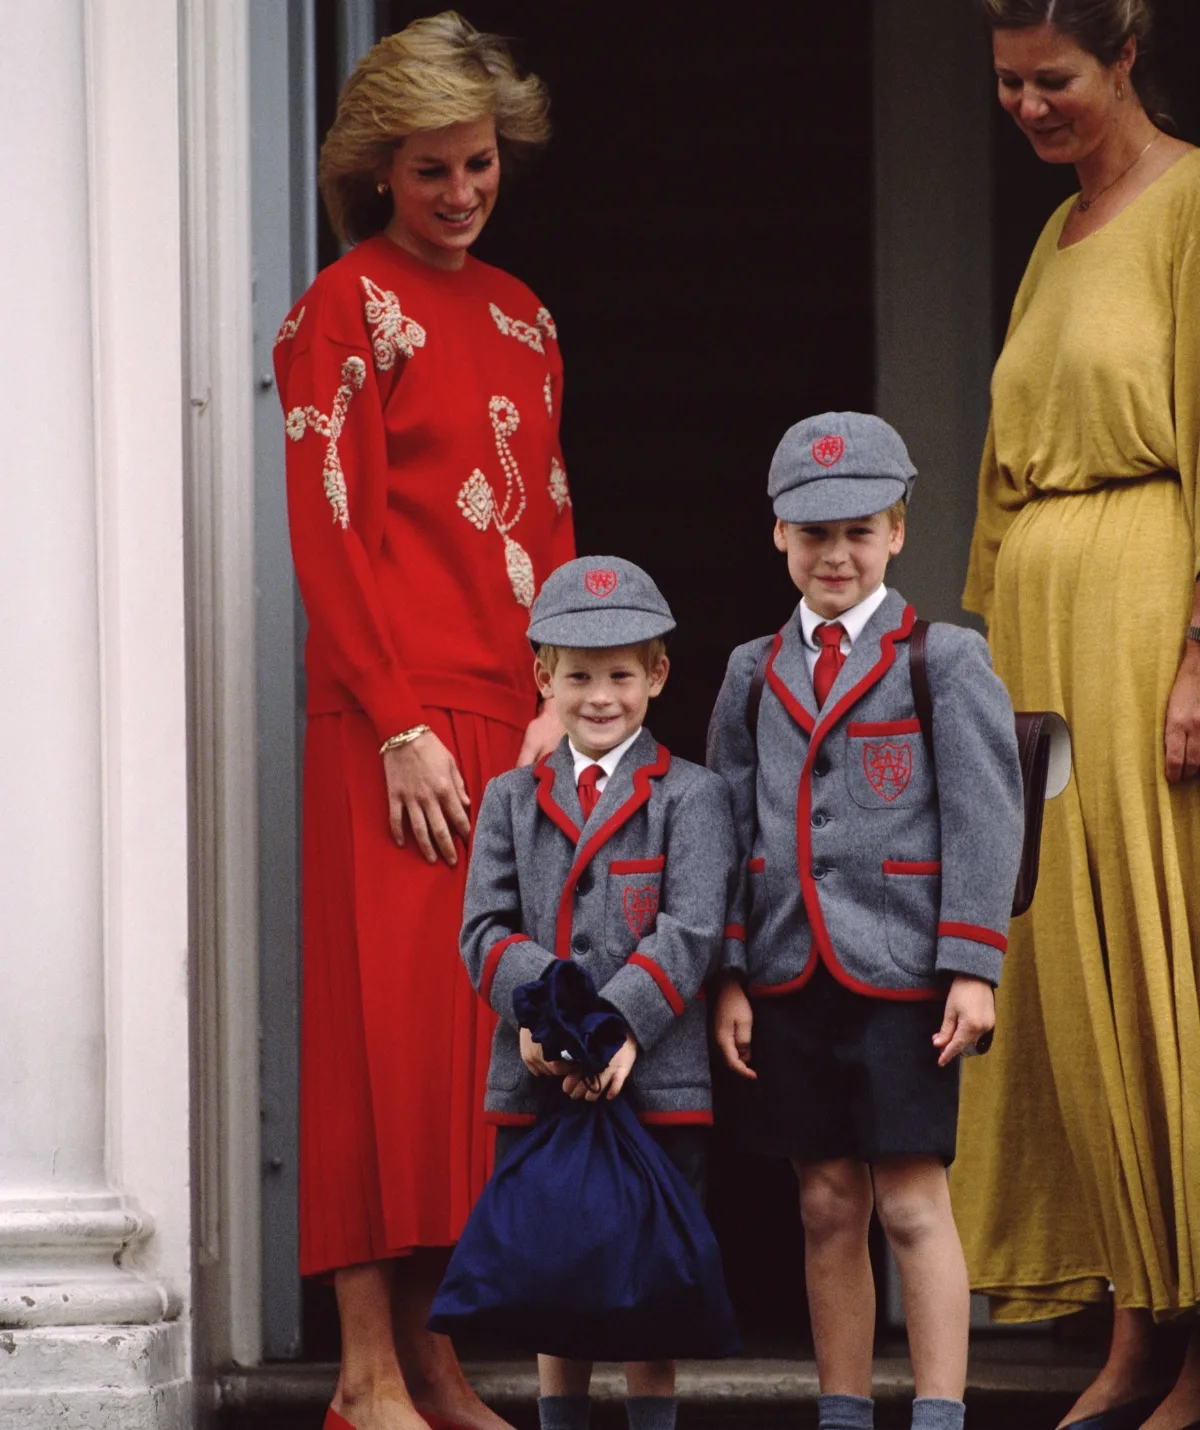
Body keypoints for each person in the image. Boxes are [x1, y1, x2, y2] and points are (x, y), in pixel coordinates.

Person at [273, 14, 575, 1430]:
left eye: (480, 165)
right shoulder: (343, 305)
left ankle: (438, 1358)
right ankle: (366, 1372)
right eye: (432, 170)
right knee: (375, 1034)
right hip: (393, 721)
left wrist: (561, 708)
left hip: (507, 720)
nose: (461, 192)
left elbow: (553, 525)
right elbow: (328, 538)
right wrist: (398, 724)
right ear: (376, 170)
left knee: (473, 1046)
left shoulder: (524, 314)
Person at [952, 2, 1200, 1426]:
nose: (1030, 106)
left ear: (1124, 62)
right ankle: (1130, 1324)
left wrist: (1194, 654)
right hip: (1043, 635)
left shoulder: (1188, 207)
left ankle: (1197, 1340)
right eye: (1007, 83)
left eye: (1054, 79)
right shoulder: (1056, 236)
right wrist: (985, 669)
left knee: (1161, 966)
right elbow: (999, 467)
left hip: (1145, 609)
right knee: (1071, 977)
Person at [707, 413, 1024, 1430]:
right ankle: (840, 1410)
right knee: (826, 1202)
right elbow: (722, 822)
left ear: (895, 530)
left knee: (910, 1201)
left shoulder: (944, 659)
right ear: (779, 538)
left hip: (904, 977)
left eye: (858, 531)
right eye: (813, 533)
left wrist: (971, 962)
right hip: (792, 971)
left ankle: (938, 1413)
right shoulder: (753, 672)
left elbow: (986, 814)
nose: (834, 554)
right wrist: (730, 971)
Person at [459, 556, 737, 1430]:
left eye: (621, 673)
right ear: (543, 677)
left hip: (652, 1081)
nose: (600, 695)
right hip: (541, 1072)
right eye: (577, 674)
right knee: (560, 1285)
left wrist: (612, 1028)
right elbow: (485, 930)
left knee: (643, 1292)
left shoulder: (694, 796)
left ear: (656, 676)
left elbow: (690, 930)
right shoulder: (508, 799)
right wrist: (549, 1028)